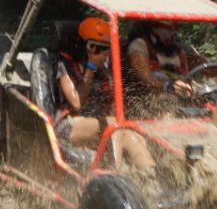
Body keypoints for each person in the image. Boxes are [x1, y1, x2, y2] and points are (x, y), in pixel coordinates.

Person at [54, 18, 154, 169]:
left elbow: (112, 102)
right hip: (69, 125)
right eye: (98, 48)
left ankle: (150, 175)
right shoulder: (66, 65)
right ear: (87, 47)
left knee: (132, 135)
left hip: (101, 124)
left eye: (107, 48)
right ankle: (114, 171)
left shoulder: (104, 70)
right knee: (113, 124)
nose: (104, 54)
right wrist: (91, 67)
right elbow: (76, 103)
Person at [125, 21, 217, 101]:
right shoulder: (139, 45)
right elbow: (145, 80)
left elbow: (205, 68)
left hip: (183, 103)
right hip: (150, 104)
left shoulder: (183, 49)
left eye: (175, 26)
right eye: (168, 27)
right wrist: (168, 87)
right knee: (158, 76)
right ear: (153, 27)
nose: (173, 31)